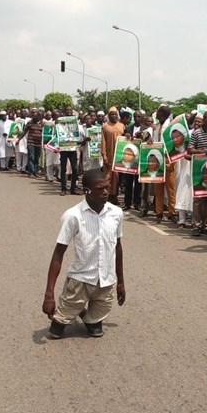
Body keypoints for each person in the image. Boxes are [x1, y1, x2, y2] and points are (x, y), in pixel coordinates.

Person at [42, 170, 126, 339]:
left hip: (106, 280)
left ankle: (89, 317)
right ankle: (74, 309)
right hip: (81, 280)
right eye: (100, 188)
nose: (105, 192)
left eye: (107, 188)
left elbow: (118, 247)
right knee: (56, 331)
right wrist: (49, 294)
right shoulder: (73, 215)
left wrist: (121, 283)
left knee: (96, 329)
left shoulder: (116, 213)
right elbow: (58, 254)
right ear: (86, 190)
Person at [189, 110, 207, 236]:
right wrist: (202, 150)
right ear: (204, 119)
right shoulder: (197, 133)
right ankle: (196, 225)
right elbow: (190, 149)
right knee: (198, 198)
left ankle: (206, 225)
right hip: (199, 168)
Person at [153, 105, 177, 224]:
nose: (156, 114)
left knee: (170, 188)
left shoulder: (171, 126)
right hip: (157, 160)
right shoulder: (157, 127)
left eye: (157, 112)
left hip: (168, 160)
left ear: (162, 114)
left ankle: (172, 213)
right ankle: (159, 212)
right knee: (158, 189)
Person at [101, 106, 125, 204]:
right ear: (109, 116)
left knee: (117, 177)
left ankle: (114, 196)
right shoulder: (105, 126)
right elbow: (103, 142)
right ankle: (106, 195)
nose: (114, 116)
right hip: (109, 156)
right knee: (107, 176)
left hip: (119, 156)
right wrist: (104, 156)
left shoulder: (122, 126)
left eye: (115, 114)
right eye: (112, 114)